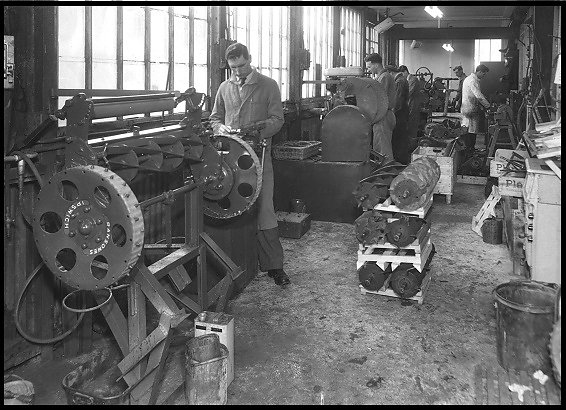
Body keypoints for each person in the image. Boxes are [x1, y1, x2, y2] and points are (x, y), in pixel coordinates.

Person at [209, 43, 290, 287]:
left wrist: (256, 130)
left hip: (260, 156)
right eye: (233, 68)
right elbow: (214, 118)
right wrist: (219, 127)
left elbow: (278, 119)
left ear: (250, 59)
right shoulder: (224, 87)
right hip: (230, 160)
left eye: (242, 66)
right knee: (233, 209)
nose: (238, 72)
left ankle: (275, 266)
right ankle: (236, 266)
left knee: (265, 209)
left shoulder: (268, 85)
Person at [364, 53, 396, 162]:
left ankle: (386, 172)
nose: (368, 70)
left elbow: (378, 98)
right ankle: (384, 170)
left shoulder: (384, 77)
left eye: (369, 67)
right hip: (383, 115)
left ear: (376, 65)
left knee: (383, 148)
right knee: (380, 146)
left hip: (383, 116)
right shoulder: (382, 77)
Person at [461, 64, 491, 153]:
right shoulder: (472, 81)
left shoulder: (469, 79)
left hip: (467, 107)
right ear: (479, 72)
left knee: (468, 129)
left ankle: (469, 149)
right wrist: (488, 105)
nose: (484, 76)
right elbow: (478, 96)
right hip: (470, 108)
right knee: (472, 131)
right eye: (483, 74)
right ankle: (470, 150)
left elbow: (476, 94)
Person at [399, 65, 425, 148]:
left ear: (405, 72)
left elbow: (409, 93)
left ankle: (412, 146)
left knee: (412, 125)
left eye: (402, 74)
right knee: (409, 124)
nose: (402, 76)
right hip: (410, 105)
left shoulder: (413, 80)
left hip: (414, 106)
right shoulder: (408, 80)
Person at [389, 66, 410, 164]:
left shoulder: (399, 82)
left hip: (400, 114)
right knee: (401, 137)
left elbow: (398, 101)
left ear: (390, 72)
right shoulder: (402, 80)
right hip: (403, 112)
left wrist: (392, 113)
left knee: (399, 138)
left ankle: (400, 162)